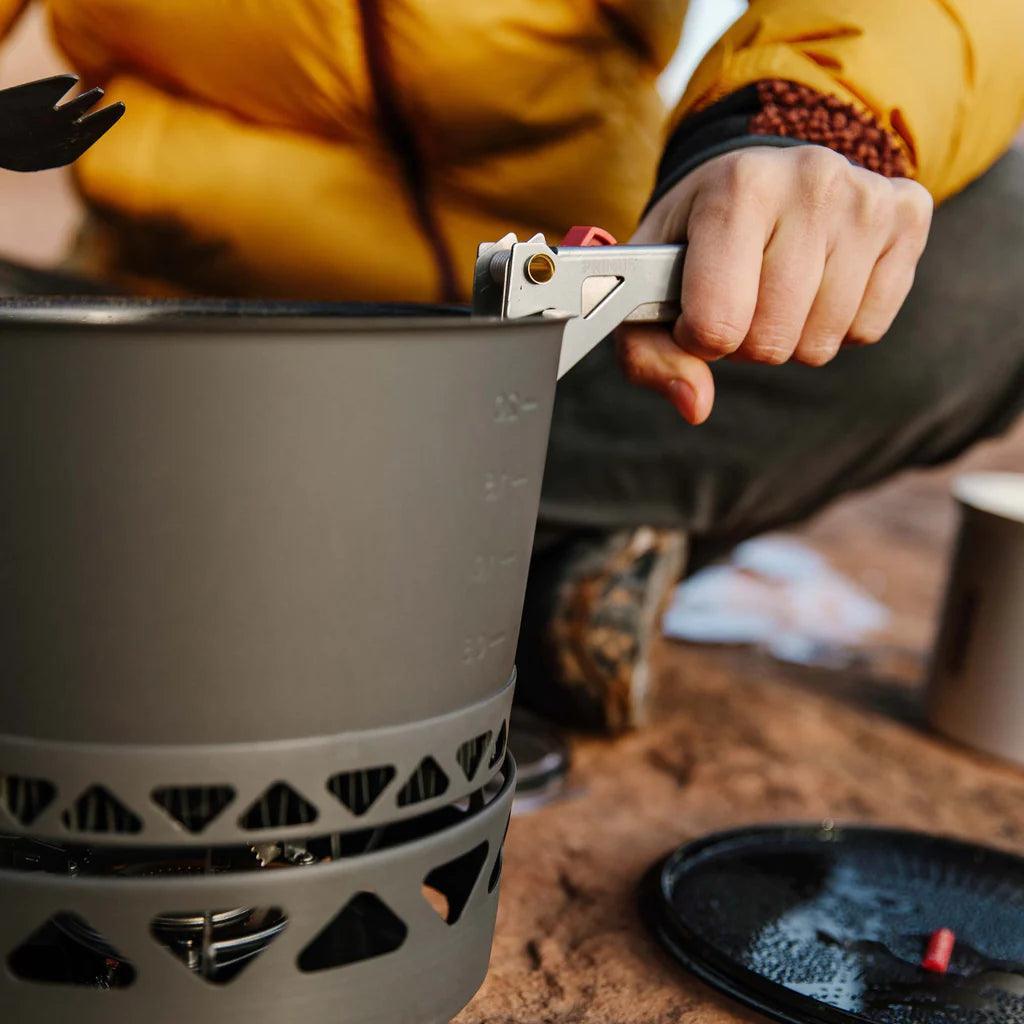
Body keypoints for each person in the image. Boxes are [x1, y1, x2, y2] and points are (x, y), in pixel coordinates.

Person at [3, 1, 1023, 731]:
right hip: (169, 340)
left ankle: (230, 555)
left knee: (1000, 264)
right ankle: (514, 569)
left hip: (558, 356)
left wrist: (804, 121)